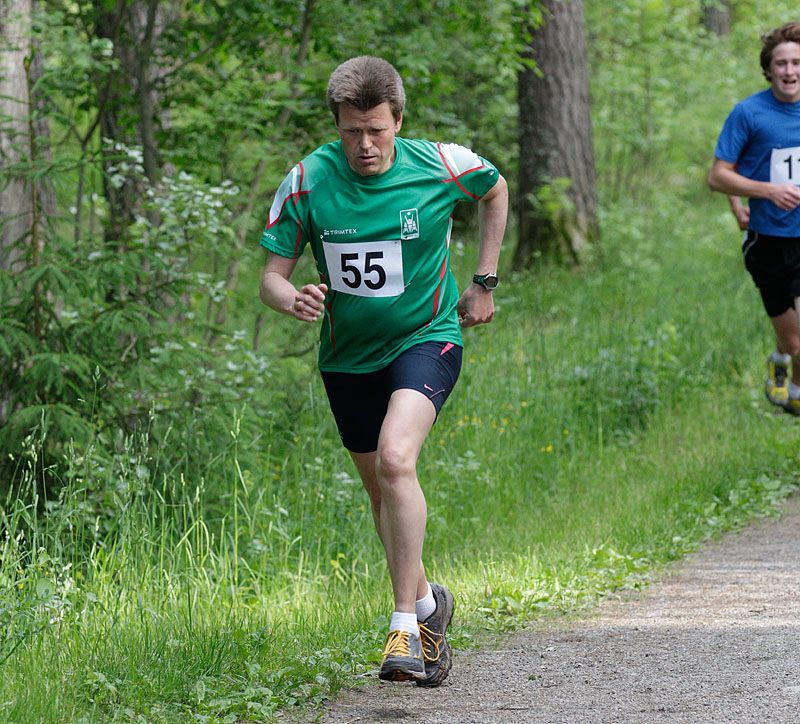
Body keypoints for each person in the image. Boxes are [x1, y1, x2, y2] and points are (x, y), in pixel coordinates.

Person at [258, 56, 508, 685]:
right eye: (351, 132)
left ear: (398, 119)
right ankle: (428, 604)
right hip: (347, 358)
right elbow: (270, 278)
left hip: (427, 337)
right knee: (381, 492)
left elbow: (496, 188)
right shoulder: (307, 181)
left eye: (376, 130)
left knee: (398, 461)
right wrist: (292, 299)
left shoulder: (441, 164)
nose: (365, 145)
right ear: (336, 127)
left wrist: (483, 280)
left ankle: (402, 627)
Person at [708, 22, 800, 415]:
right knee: (795, 341)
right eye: (781, 63)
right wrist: (767, 191)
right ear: (768, 69)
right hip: (770, 240)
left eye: (797, 62)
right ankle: (782, 360)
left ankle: (795, 393)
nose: (790, 71)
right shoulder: (749, 113)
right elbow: (719, 175)